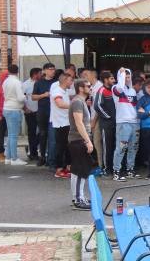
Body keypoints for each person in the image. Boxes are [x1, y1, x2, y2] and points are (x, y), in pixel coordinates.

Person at [68, 79, 94, 210]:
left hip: (78, 139)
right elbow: (79, 123)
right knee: (81, 170)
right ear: (80, 88)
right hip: (79, 140)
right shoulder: (78, 101)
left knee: (77, 170)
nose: (90, 87)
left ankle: (78, 196)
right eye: (88, 86)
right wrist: (87, 140)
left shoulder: (80, 101)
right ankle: (78, 199)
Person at [111, 68, 141, 181]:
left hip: (135, 122)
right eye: (125, 77)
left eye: (129, 77)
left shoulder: (132, 91)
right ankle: (116, 171)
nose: (127, 79)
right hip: (123, 122)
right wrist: (122, 74)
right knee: (121, 148)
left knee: (133, 147)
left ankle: (130, 169)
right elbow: (119, 88)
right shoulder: (116, 88)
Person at [2, 65, 27, 165]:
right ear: (17, 71)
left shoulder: (6, 81)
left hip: (7, 108)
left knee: (10, 135)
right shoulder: (17, 82)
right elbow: (20, 98)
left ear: (8, 71)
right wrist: (26, 96)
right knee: (13, 135)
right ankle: (14, 158)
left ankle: (8, 157)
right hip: (14, 109)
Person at [32, 63, 56, 167]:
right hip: (42, 111)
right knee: (42, 134)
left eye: (53, 69)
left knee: (53, 136)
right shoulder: (39, 83)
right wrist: (44, 95)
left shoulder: (56, 82)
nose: (52, 71)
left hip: (54, 112)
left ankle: (51, 157)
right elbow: (33, 97)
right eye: (50, 69)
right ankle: (42, 156)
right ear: (44, 71)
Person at [51, 73, 73, 178]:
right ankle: (59, 169)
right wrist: (74, 105)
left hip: (66, 121)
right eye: (70, 80)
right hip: (60, 123)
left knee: (68, 146)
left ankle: (68, 167)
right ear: (64, 80)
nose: (71, 82)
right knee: (61, 147)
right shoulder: (57, 91)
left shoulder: (65, 91)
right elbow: (59, 103)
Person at [94, 71, 116, 175]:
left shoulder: (114, 90)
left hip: (115, 123)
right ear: (106, 80)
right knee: (107, 146)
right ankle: (106, 169)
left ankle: (113, 167)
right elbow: (97, 106)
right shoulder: (101, 90)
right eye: (111, 78)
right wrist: (108, 117)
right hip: (106, 124)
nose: (114, 80)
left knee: (114, 145)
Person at [86, 70, 104, 172]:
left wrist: (93, 121)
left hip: (97, 118)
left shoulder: (99, 87)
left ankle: (101, 166)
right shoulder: (92, 87)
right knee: (93, 142)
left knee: (97, 143)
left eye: (87, 75)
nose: (85, 76)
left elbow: (99, 106)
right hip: (92, 117)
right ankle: (98, 163)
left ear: (93, 75)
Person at [23, 68, 42, 161]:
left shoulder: (41, 83)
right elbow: (22, 98)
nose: (41, 75)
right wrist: (25, 109)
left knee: (42, 132)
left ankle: (32, 148)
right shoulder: (25, 84)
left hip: (40, 111)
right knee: (32, 133)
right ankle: (33, 153)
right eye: (40, 73)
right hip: (30, 112)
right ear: (35, 74)